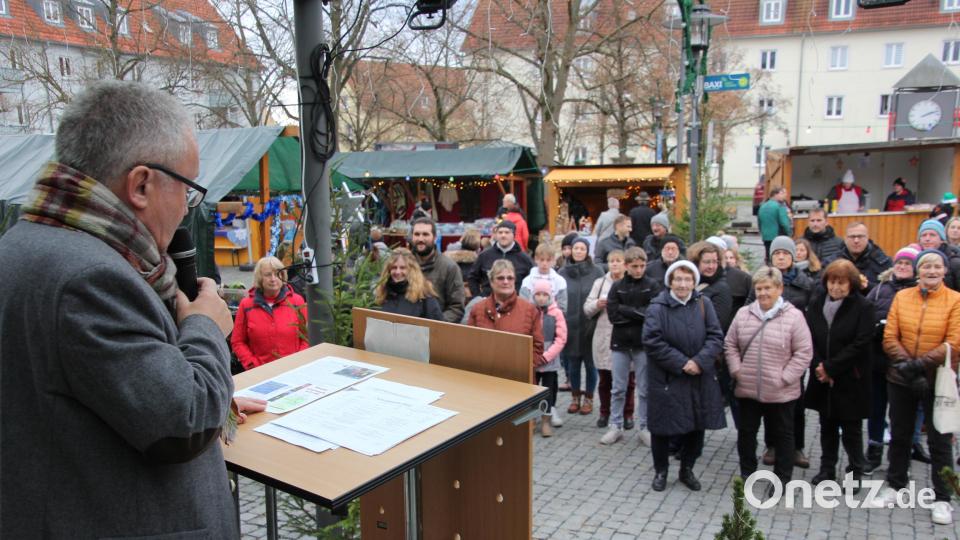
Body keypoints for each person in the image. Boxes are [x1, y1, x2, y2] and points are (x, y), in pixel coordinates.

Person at [0, 81, 241, 537]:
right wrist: (206, 327)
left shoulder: (25, 243)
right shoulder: (92, 279)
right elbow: (181, 421)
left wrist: (210, 384)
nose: (189, 210)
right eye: (189, 190)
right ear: (142, 185)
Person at [877, 250, 960, 525]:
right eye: (926, 266)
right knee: (900, 433)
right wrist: (909, 369)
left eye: (937, 266)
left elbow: (953, 342)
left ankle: (943, 498)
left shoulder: (955, 300)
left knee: (939, 440)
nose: (931, 271)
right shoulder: (902, 297)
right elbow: (890, 336)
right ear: (918, 271)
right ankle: (895, 483)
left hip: (938, 379)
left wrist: (919, 365)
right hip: (902, 378)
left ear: (944, 271)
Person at [724, 267, 814, 490]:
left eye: (768, 288)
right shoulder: (744, 314)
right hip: (748, 387)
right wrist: (737, 370)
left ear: (779, 289)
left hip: (780, 390)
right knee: (746, 433)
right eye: (759, 288)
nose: (763, 293)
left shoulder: (794, 317)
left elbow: (804, 352)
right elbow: (730, 344)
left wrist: (785, 377)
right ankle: (747, 473)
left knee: (783, 435)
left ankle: (782, 478)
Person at [643, 261, 726, 492]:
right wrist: (682, 363)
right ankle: (661, 471)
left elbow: (715, 336)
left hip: (698, 376)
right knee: (662, 427)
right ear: (670, 281)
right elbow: (652, 341)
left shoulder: (703, 303)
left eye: (687, 279)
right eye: (678, 279)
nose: (682, 284)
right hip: (667, 378)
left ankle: (687, 469)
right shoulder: (657, 307)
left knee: (695, 425)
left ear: (694, 282)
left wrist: (699, 362)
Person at [804, 260, 875, 488]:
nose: (836, 287)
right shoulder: (816, 304)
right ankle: (827, 469)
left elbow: (861, 343)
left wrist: (831, 368)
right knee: (827, 426)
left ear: (851, 284)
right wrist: (819, 367)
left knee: (852, 430)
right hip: (822, 376)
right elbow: (810, 338)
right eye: (832, 282)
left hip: (850, 377)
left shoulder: (863, 307)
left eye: (841, 283)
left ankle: (855, 472)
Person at [746, 236, 814, 468]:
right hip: (766, 353)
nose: (781, 257)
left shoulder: (806, 283)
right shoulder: (761, 280)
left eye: (785, 253)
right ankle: (772, 445)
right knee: (767, 404)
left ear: (793, 256)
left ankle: (797, 447)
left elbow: (812, 317)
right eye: (777, 253)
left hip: (792, 352)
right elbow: (748, 309)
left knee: (795, 404)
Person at [865, 246, 920, 473]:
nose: (903, 267)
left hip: (906, 363)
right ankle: (874, 451)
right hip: (879, 361)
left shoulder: (919, 291)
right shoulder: (879, 290)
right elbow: (865, 316)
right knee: (876, 409)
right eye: (900, 263)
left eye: (908, 263)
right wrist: (875, 329)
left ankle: (900, 458)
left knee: (901, 415)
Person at [601, 248, 661, 445]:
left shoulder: (652, 285)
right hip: (620, 342)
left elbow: (652, 313)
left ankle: (644, 427)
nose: (638, 270)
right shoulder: (617, 286)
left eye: (642, 266)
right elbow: (613, 315)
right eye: (634, 266)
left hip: (642, 343)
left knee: (644, 388)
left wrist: (626, 310)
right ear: (626, 266)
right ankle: (615, 425)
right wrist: (636, 314)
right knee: (618, 388)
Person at [232, 257, 309, 370]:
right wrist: (252, 364)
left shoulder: (297, 301)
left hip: (293, 369)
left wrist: (298, 362)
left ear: (283, 276)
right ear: (260, 278)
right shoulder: (246, 305)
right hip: (260, 372)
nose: (273, 279)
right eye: (268, 275)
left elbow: (307, 337)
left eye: (277, 274)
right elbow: (237, 341)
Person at [691, 241, 737, 427]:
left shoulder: (721, 288)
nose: (711, 266)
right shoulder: (692, 283)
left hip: (709, 353)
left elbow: (718, 324)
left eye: (714, 262)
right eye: (706, 262)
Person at [467, 258, 545, 366]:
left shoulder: (529, 310)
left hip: (518, 377)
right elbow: (470, 344)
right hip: (485, 375)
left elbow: (538, 346)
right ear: (491, 282)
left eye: (510, 278)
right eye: (500, 278)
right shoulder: (477, 309)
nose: (506, 282)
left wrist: (524, 367)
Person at [559, 237, 604, 415]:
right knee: (573, 365)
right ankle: (575, 397)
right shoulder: (562, 272)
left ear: (587, 251)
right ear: (571, 250)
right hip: (569, 325)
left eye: (582, 248)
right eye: (575, 248)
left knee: (591, 365)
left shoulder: (597, 271)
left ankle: (589, 398)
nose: (578, 251)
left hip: (590, 325)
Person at [585, 249, 625, 430]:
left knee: (627, 381)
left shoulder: (629, 283)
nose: (614, 264)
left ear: (625, 264)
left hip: (625, 336)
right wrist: (597, 304)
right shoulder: (600, 283)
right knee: (605, 379)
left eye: (618, 261)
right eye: (612, 261)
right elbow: (586, 309)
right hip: (603, 335)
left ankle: (627, 413)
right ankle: (604, 412)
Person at [409, 218, 465, 322]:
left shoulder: (449, 267)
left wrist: (437, 324)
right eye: (417, 234)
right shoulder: (404, 265)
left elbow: (457, 307)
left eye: (425, 234)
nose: (420, 239)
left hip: (435, 329)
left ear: (434, 237)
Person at [532, 280, 567, 437]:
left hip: (549, 361)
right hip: (532, 360)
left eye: (544, 294)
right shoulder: (530, 311)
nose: (541, 297)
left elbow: (561, 338)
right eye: (538, 294)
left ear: (550, 295)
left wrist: (546, 356)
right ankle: (531, 420)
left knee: (548, 391)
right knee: (532, 390)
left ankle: (546, 420)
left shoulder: (556, 313)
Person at [466, 220, 534, 298]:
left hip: (515, 304)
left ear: (514, 235)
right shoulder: (484, 256)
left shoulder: (524, 259)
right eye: (500, 232)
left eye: (507, 232)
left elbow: (533, 281)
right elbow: (472, 277)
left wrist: (524, 299)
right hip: (488, 303)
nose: (503, 235)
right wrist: (478, 297)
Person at [375, 249, 444, 321]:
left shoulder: (424, 297)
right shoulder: (382, 294)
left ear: (412, 270)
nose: (398, 272)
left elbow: (438, 328)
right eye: (394, 267)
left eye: (402, 268)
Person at [838, 222, 892, 292]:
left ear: (867, 237)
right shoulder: (833, 262)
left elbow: (890, 290)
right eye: (852, 237)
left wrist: (868, 286)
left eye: (860, 236)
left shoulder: (883, 262)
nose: (856, 240)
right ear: (845, 239)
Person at [520, 243, 569, 311]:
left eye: (548, 260)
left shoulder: (560, 281)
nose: (544, 263)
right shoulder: (527, 281)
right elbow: (523, 305)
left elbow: (562, 307)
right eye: (542, 260)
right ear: (536, 259)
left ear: (553, 261)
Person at [916, 218, 960, 291]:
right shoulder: (916, 260)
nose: (927, 238)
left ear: (942, 239)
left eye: (932, 235)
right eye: (923, 235)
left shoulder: (955, 263)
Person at [758, 186, 793, 261]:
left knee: (768, 256)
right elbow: (784, 223)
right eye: (782, 193)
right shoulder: (780, 206)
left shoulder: (762, 206)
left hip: (766, 236)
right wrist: (790, 233)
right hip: (778, 237)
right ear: (775, 194)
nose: (785, 195)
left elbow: (759, 222)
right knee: (778, 258)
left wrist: (762, 233)